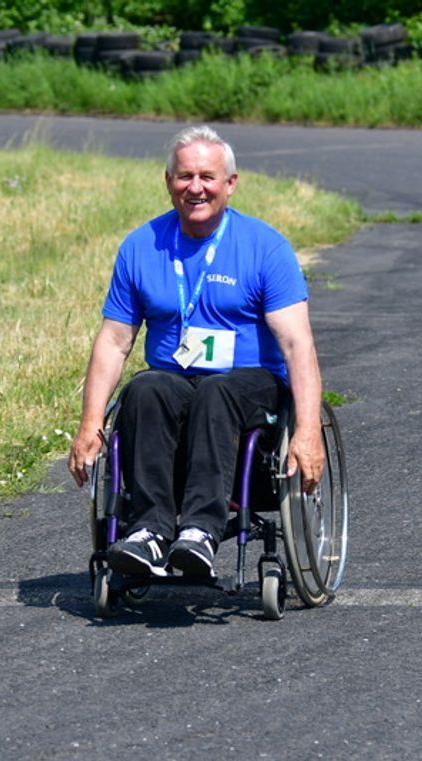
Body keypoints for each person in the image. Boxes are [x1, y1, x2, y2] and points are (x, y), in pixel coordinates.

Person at [67, 125, 325, 580]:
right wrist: (90, 425)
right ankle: (148, 530)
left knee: (217, 392)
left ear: (230, 184)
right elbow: (113, 340)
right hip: (173, 378)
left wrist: (307, 431)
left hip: (248, 381)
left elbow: (296, 344)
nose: (196, 187)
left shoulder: (265, 247)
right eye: (185, 176)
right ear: (168, 182)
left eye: (208, 176)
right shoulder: (140, 247)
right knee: (144, 389)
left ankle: (201, 531)